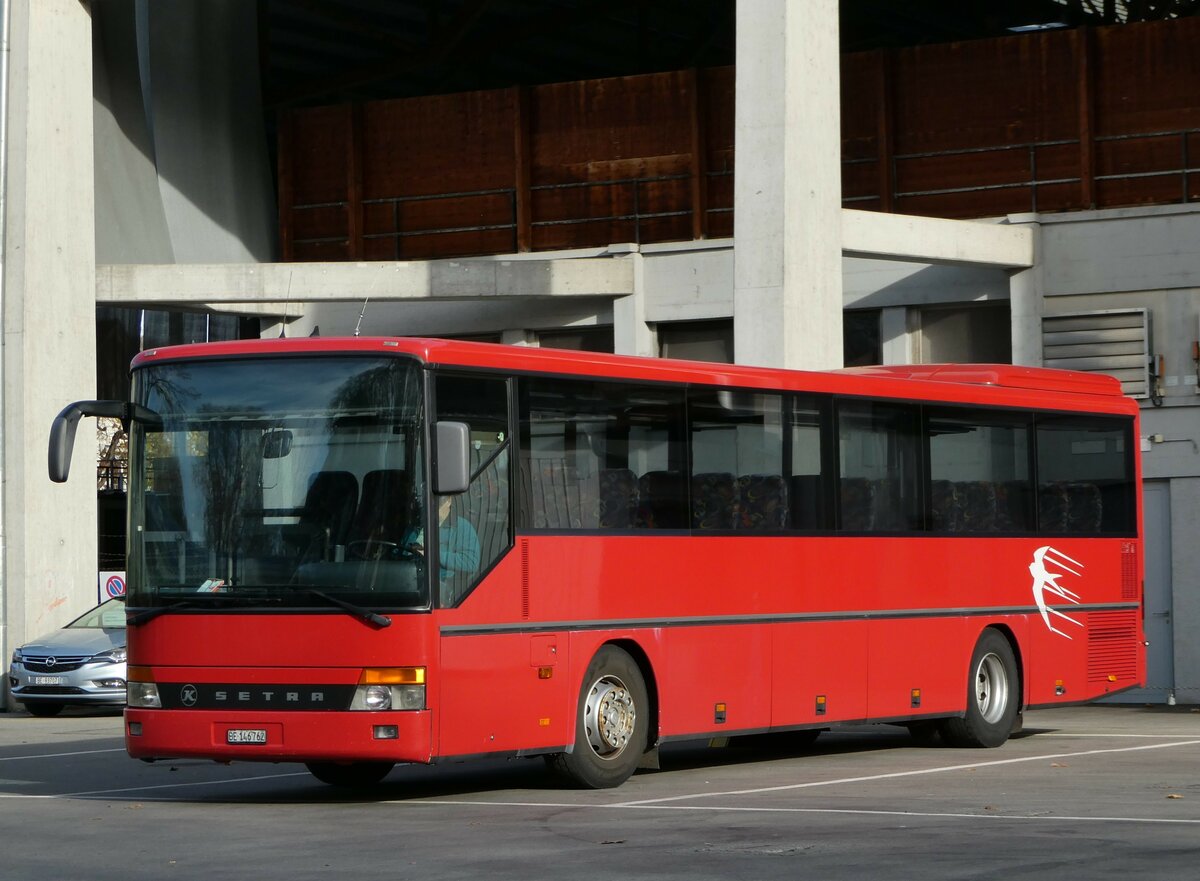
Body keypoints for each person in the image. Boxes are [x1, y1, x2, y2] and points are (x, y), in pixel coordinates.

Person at [403, 495, 480, 602]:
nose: (431, 505)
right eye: (426, 501)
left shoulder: (461, 527)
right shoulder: (415, 526)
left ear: (449, 500)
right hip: (407, 585)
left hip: (442, 593)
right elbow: (398, 553)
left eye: (436, 501)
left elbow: (471, 562)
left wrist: (432, 555)